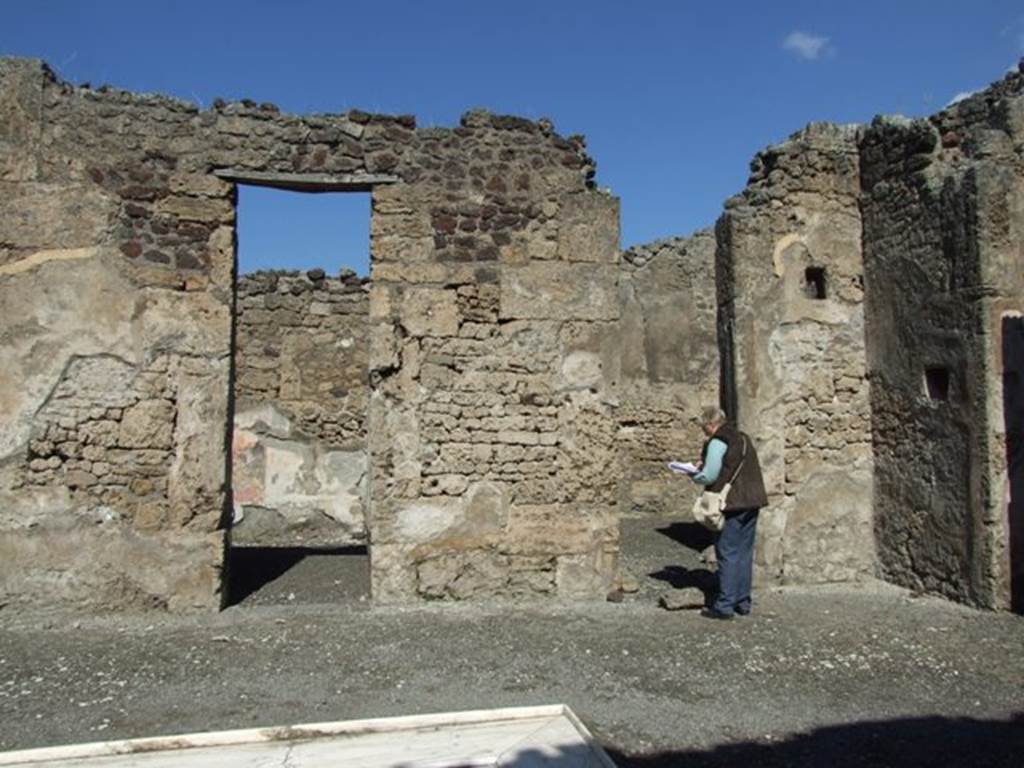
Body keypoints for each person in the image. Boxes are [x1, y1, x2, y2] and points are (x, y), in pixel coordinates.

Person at [688, 405, 768, 620]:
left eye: (703, 427)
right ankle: (743, 601)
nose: (703, 431)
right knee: (744, 552)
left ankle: (725, 605)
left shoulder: (718, 441)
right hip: (753, 500)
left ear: (711, 424)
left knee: (728, 552)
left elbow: (710, 475)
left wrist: (694, 473)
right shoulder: (742, 438)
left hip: (731, 503)